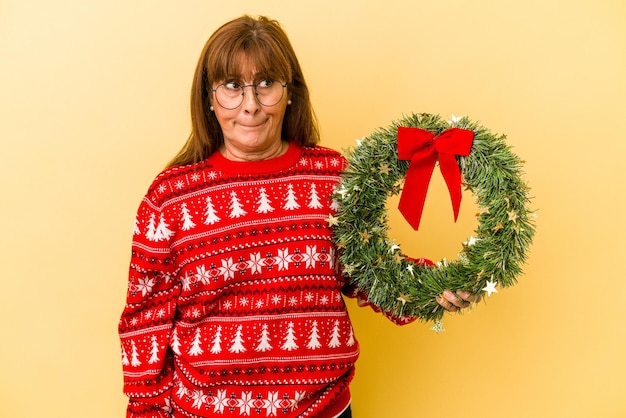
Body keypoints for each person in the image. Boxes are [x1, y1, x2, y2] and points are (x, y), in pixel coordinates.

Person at [118, 15, 478, 418]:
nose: (251, 105)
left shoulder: (332, 177)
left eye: (266, 84)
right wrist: (146, 410)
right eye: (233, 87)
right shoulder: (171, 198)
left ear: (290, 93)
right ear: (209, 97)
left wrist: (432, 288)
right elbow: (144, 319)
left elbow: (366, 271)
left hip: (323, 408)